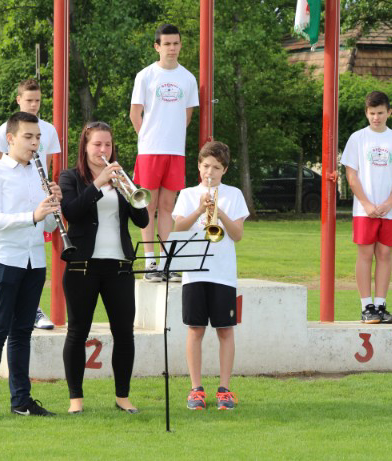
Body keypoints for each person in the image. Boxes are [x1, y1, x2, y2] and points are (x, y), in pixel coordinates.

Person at [0, 112, 61, 422]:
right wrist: (33, 215)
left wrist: (54, 206)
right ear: (10, 139)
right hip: (3, 258)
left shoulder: (39, 174)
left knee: (23, 332)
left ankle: (21, 400)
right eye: (28, 137)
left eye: (38, 138)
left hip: (34, 260)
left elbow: (48, 224)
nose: (35, 143)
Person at [59, 122, 149, 415]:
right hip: (82, 266)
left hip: (119, 265)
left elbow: (143, 220)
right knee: (77, 332)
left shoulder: (121, 177)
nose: (103, 150)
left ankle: (123, 397)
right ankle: (75, 399)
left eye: (107, 144)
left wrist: (128, 189)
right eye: (97, 144)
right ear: (85, 147)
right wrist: (98, 184)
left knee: (124, 333)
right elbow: (71, 212)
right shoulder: (70, 177)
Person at [173, 141, 249, 410]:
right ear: (199, 166)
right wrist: (199, 209)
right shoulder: (187, 194)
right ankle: (196, 389)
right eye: (206, 166)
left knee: (225, 330)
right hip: (194, 273)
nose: (210, 172)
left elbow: (237, 235)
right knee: (195, 329)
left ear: (224, 170)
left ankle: (225, 389)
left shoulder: (234, 194)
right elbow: (179, 229)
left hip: (223, 273)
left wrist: (219, 210)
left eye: (216, 168)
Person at [130, 23, 199, 282]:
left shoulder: (188, 78)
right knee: (148, 205)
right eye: (167, 44)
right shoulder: (145, 76)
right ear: (157, 47)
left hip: (175, 152)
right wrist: (148, 138)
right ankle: (150, 263)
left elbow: (187, 116)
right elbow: (135, 114)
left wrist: (171, 137)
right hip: (150, 151)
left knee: (168, 206)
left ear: (181, 45)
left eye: (176, 43)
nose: (172, 48)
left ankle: (167, 263)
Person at [340, 91, 392, 324]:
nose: (376, 117)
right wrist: (365, 203)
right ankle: (367, 307)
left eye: (380, 113)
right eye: (372, 113)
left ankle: (381, 306)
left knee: (385, 254)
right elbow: (351, 174)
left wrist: (389, 202)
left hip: (389, 210)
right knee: (365, 254)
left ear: (389, 112)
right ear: (366, 113)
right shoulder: (357, 138)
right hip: (364, 210)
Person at [0, 78, 61, 329]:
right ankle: (20, 309)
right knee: (14, 256)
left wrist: (49, 196)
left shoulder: (49, 129)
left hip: (38, 196)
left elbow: (49, 166)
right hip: (15, 199)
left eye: (38, 101)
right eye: (29, 100)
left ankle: (34, 308)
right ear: (19, 100)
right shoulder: (6, 128)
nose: (34, 105)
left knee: (36, 255)